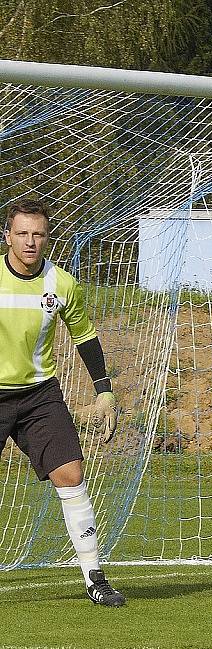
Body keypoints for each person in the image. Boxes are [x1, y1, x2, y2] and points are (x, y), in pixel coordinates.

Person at [1, 198, 125, 607]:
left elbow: (85, 336)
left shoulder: (63, 284)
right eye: (22, 233)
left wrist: (104, 390)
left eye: (38, 234)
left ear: (48, 238)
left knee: (71, 475)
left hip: (39, 395)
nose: (30, 241)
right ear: (8, 236)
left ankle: (95, 576)